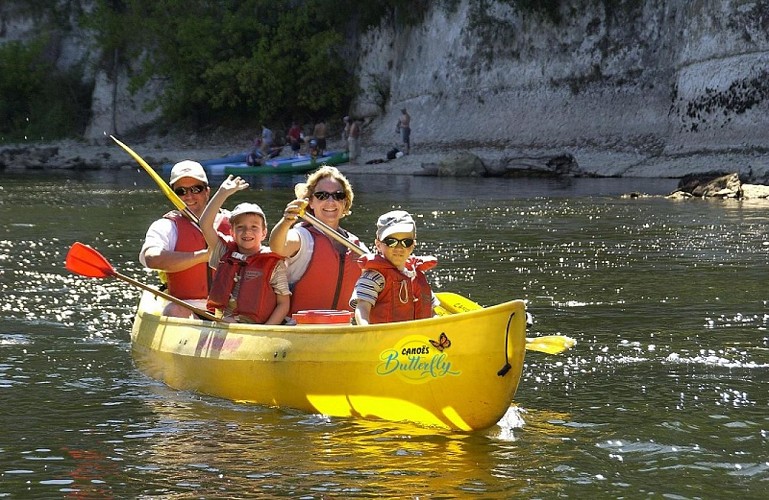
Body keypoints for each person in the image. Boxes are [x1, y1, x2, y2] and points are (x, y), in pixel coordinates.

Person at [270, 166, 368, 315]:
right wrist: (286, 221)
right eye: (322, 195)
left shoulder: (355, 244)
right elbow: (278, 247)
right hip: (301, 330)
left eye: (338, 195)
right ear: (310, 202)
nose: (330, 201)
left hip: (344, 329)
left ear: (344, 203)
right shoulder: (302, 237)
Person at [138, 160, 230, 318]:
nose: (189, 196)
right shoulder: (165, 226)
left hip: (229, 308)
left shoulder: (236, 221)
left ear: (207, 192)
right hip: (184, 306)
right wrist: (204, 256)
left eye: (196, 189)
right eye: (181, 191)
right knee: (174, 311)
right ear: (173, 196)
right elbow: (152, 259)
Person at [199, 175, 290, 324]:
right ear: (232, 233)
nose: (247, 232)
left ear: (264, 233)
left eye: (254, 227)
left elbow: (283, 303)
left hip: (257, 328)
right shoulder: (223, 252)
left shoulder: (274, 264)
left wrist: (266, 330)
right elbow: (205, 225)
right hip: (225, 325)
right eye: (240, 227)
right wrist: (222, 193)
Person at [351, 210, 438, 325]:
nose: (398, 248)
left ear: (412, 246)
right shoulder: (373, 277)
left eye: (406, 242)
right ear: (378, 245)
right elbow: (362, 307)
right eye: (391, 242)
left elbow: (432, 312)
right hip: (383, 339)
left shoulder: (416, 276)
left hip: (417, 339)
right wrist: (366, 329)